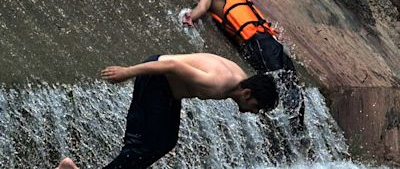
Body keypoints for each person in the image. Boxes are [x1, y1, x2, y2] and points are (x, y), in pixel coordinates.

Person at [56, 53, 279, 169]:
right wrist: (127, 72)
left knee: (166, 141)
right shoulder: (219, 84)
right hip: (155, 78)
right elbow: (172, 66)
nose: (254, 112)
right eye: (256, 107)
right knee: (141, 146)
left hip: (168, 91)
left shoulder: (239, 78)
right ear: (247, 94)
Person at [183, 0, 295, 73]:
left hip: (264, 38)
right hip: (254, 41)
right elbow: (202, 7)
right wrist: (190, 16)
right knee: (280, 76)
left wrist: (271, 31)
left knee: (290, 75)